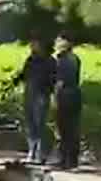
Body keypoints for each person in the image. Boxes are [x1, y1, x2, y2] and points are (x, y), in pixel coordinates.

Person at [14, 36, 57, 166]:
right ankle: (31, 151)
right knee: (30, 124)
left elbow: (53, 79)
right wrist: (16, 79)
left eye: (34, 43)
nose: (32, 46)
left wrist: (50, 92)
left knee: (40, 125)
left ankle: (41, 153)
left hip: (41, 95)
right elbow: (24, 74)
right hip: (29, 94)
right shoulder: (31, 60)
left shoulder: (50, 61)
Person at [53, 35, 84, 170]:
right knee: (73, 128)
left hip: (65, 96)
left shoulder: (62, 59)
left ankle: (64, 158)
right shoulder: (75, 58)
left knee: (64, 128)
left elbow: (60, 81)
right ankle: (73, 160)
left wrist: (54, 97)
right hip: (75, 95)